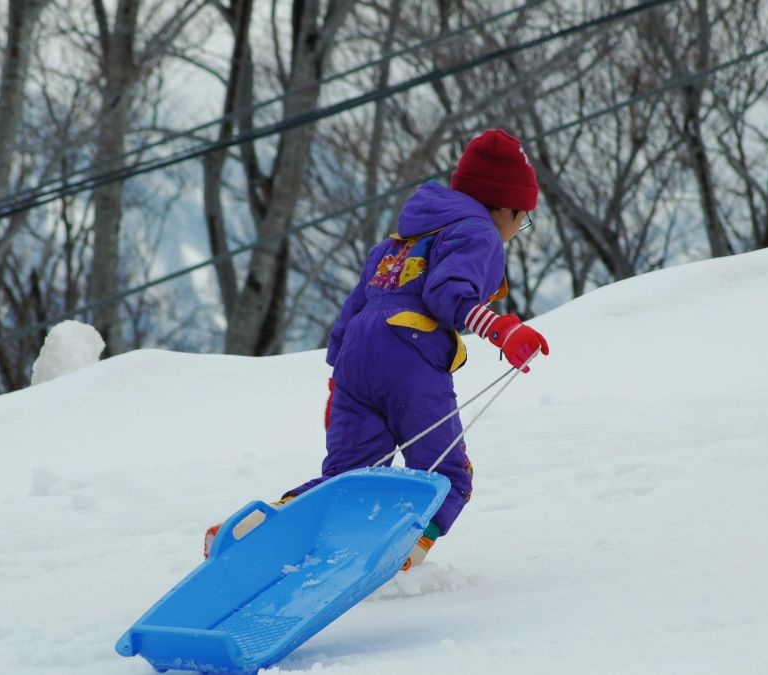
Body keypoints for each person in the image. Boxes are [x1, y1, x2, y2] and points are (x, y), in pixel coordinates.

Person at [204, 129, 550, 569]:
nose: (517, 230)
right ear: (504, 206)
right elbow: (449, 295)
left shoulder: (396, 244)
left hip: (354, 362)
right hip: (410, 352)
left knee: (348, 481)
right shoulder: (478, 232)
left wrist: (339, 387)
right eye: (523, 220)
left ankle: (266, 527)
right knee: (448, 476)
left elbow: (350, 316)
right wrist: (502, 330)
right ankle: (399, 557)